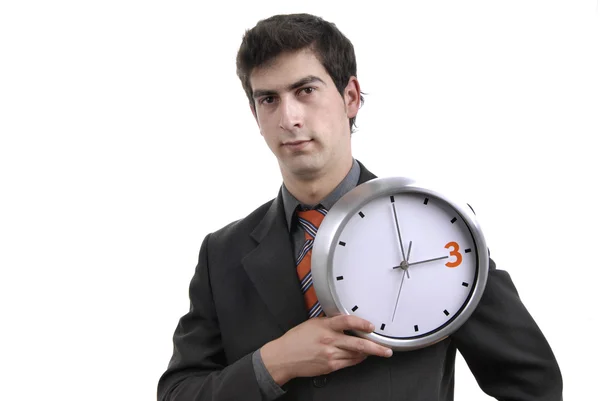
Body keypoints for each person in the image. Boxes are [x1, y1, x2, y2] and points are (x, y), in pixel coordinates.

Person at [157, 13, 562, 401]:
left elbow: (533, 384)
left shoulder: (440, 224)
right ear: (255, 114)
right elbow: (177, 393)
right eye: (268, 99)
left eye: (305, 90)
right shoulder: (222, 253)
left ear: (350, 97)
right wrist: (274, 362)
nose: (289, 117)